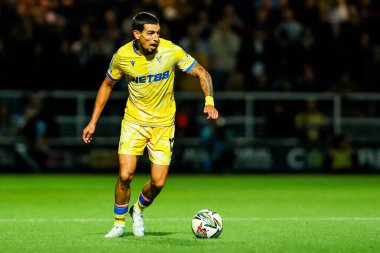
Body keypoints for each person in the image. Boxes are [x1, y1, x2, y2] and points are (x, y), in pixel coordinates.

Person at [82, 12, 219, 238]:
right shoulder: (122, 56)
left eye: (158, 32)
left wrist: (209, 102)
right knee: (125, 175)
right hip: (134, 122)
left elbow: (203, 73)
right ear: (136, 34)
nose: (156, 37)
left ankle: (138, 210)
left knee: (158, 182)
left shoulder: (171, 51)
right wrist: (93, 121)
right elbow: (107, 85)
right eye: (150, 33)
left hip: (164, 125)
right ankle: (118, 224)